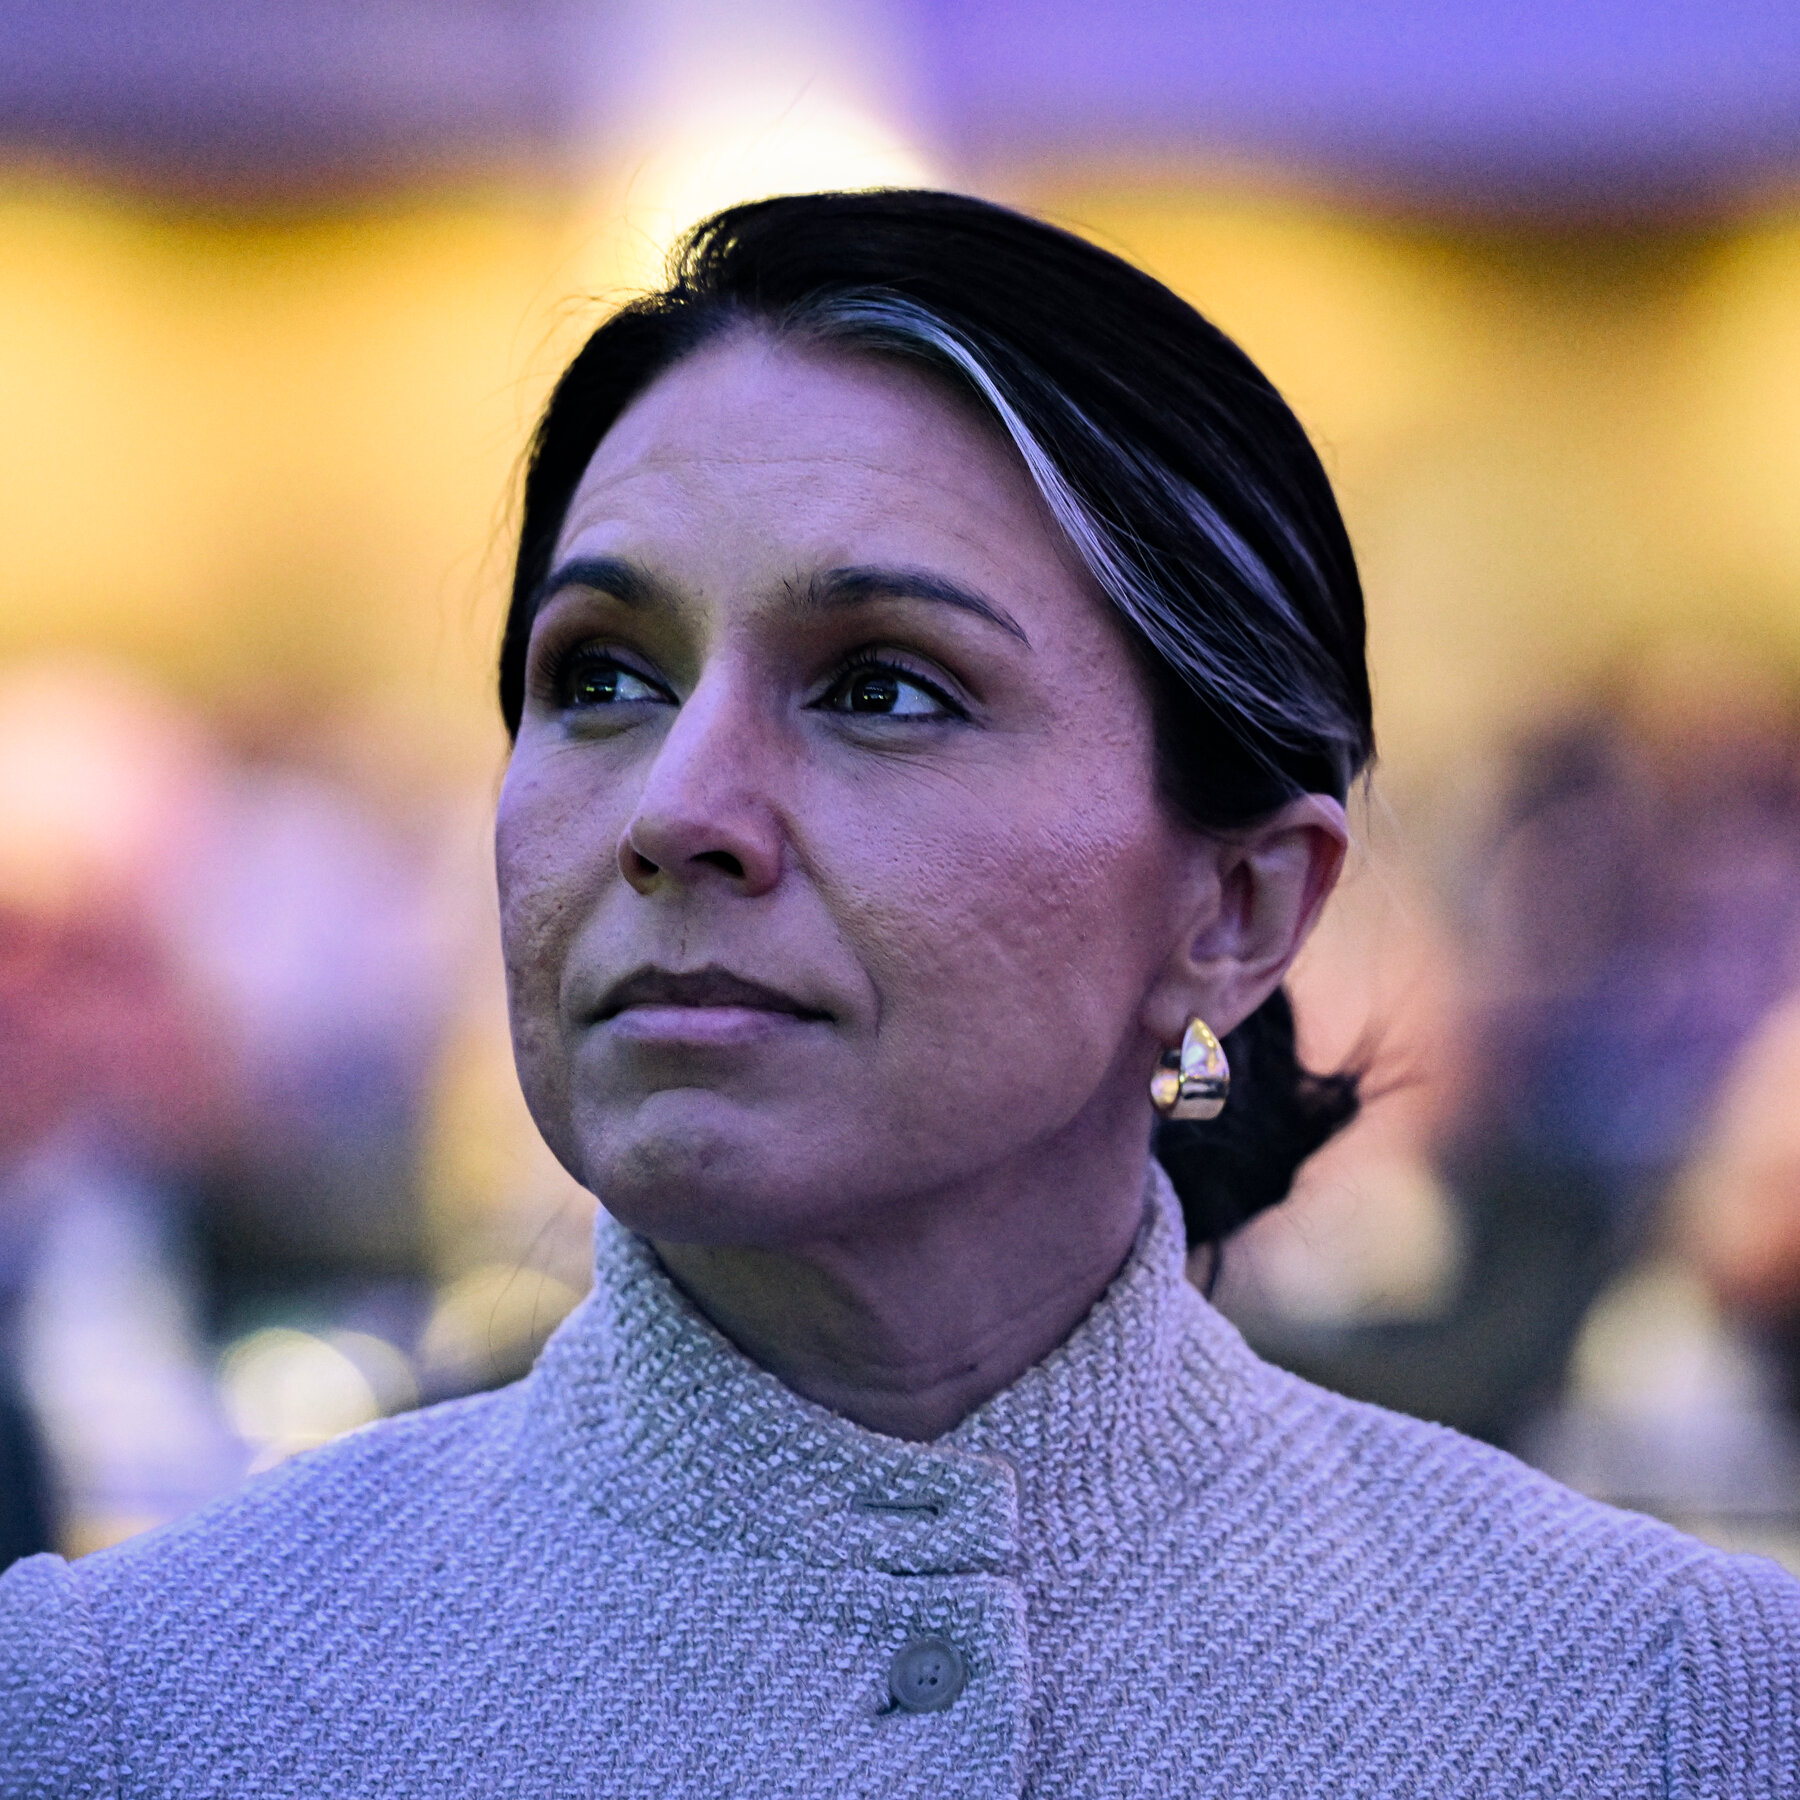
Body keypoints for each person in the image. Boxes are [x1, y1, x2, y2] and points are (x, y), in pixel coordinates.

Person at [3, 190, 1794, 1796]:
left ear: (1238, 906)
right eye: (603, 675)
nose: (677, 810)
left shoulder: (1664, 1714)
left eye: (882, 689)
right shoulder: (126, 1712)